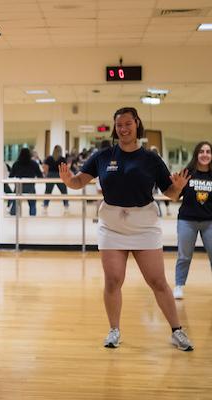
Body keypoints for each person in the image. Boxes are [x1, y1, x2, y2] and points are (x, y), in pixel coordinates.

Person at [58, 107, 194, 351]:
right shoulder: (103, 156)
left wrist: (179, 187)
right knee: (113, 280)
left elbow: (170, 194)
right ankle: (114, 330)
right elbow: (79, 181)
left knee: (157, 281)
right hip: (112, 225)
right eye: (119, 125)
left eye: (128, 124)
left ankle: (177, 330)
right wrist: (69, 181)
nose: (123, 129)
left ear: (137, 124)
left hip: (145, 225)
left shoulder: (151, 159)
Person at [173, 141, 212, 299]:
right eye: (201, 151)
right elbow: (175, 197)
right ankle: (179, 286)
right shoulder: (187, 173)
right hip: (187, 221)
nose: (205, 154)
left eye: (208, 152)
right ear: (196, 154)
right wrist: (176, 187)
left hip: (210, 222)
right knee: (184, 256)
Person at [9, 147, 43, 216]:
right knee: (32, 204)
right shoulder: (34, 164)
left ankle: (12, 219)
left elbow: (11, 176)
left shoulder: (16, 164)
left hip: (19, 186)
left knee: (16, 203)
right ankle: (32, 217)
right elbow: (40, 176)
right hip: (30, 186)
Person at [43, 144, 69, 213]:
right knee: (64, 191)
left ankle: (45, 206)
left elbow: (45, 168)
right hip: (60, 176)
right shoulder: (62, 159)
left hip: (50, 175)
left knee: (48, 192)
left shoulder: (49, 158)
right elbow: (65, 169)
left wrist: (46, 175)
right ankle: (66, 206)